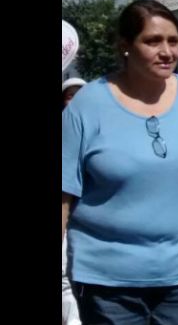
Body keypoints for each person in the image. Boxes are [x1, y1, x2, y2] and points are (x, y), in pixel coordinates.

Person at [61, 0, 178, 323]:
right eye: (153, 41)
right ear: (125, 46)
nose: (166, 51)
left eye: (173, 41)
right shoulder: (86, 105)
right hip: (107, 284)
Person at [61, 78, 86, 325]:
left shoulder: (96, 128)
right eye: (70, 96)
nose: (74, 101)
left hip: (85, 216)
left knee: (72, 276)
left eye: (80, 95)